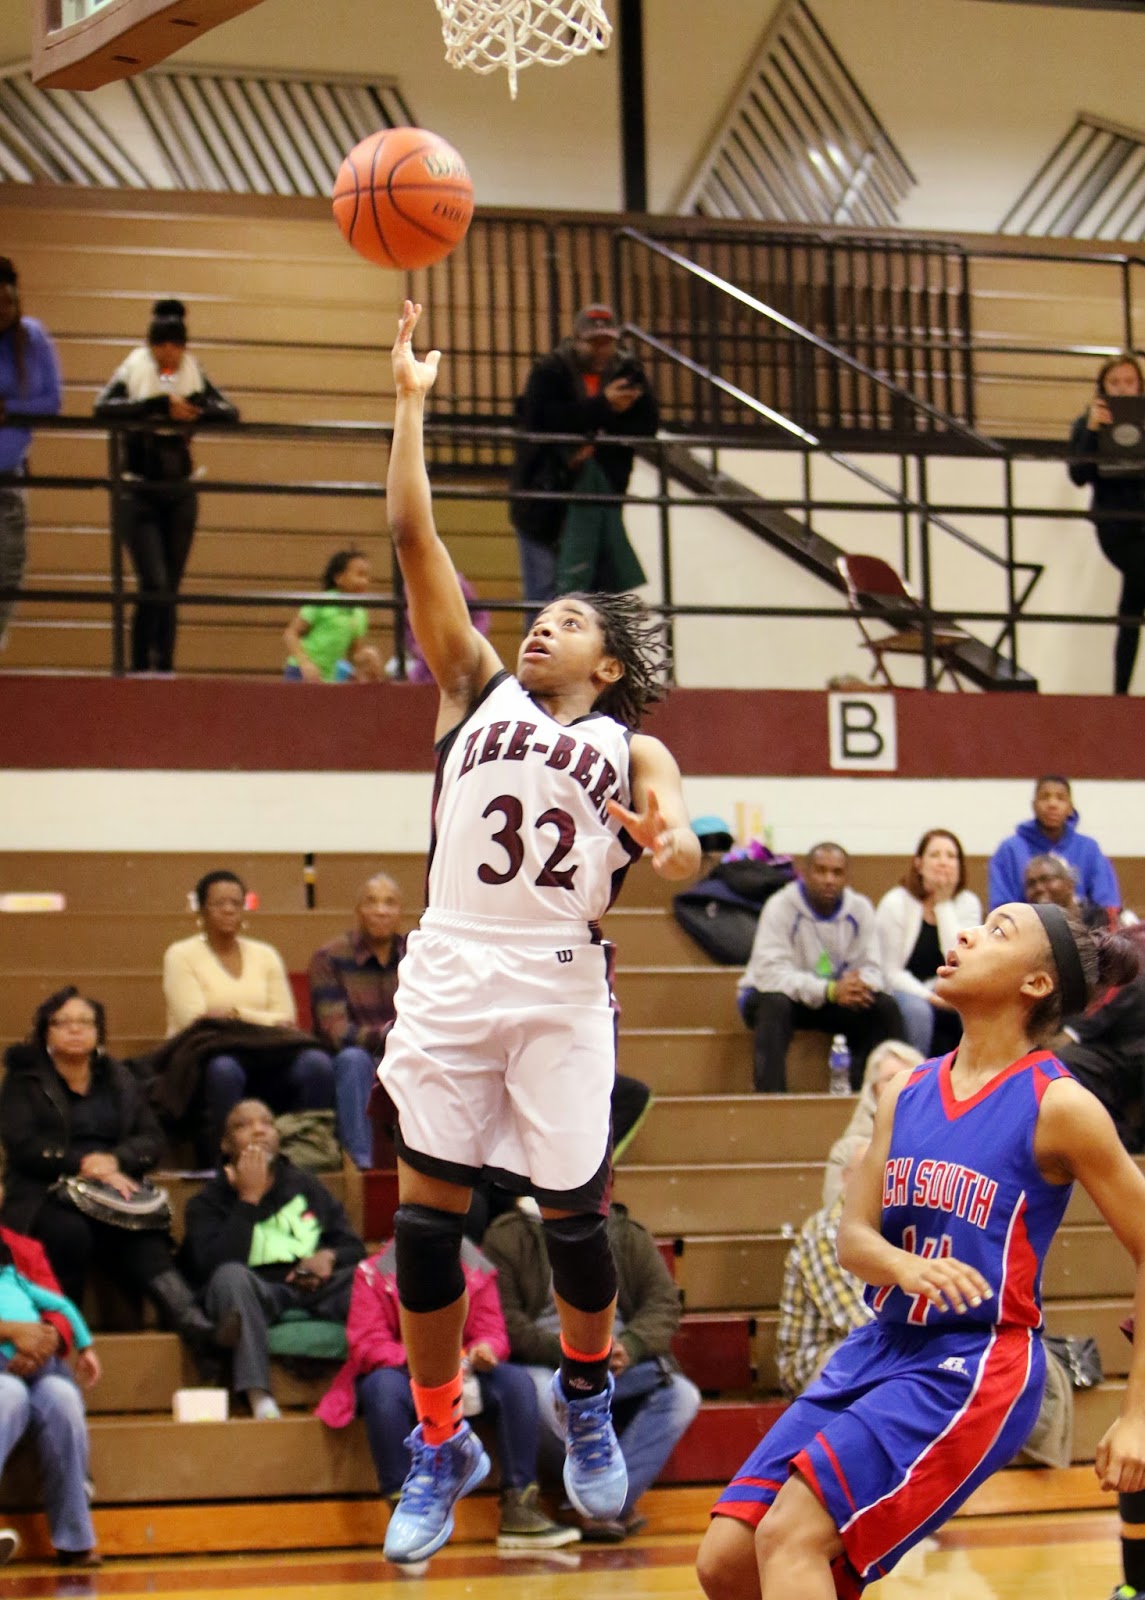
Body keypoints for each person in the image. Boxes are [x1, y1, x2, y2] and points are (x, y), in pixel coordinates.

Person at [375, 300, 699, 1566]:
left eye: (570, 620)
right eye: (541, 613)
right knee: (422, 1229)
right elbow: (413, 537)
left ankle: (585, 1397)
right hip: (451, 962)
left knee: (575, 1223)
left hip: (560, 981)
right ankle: (439, 1439)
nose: (542, 622)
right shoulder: (472, 688)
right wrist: (408, 403)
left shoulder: (630, 743)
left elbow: (678, 834)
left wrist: (670, 847)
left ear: (608, 665)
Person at [697, 901, 1145, 1600]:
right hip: (881, 1344)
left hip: (974, 1362)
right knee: (726, 1562)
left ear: (1035, 984)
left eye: (996, 931)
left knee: (789, 1537)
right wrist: (903, 1266)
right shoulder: (905, 1090)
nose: (965, 933)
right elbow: (852, 1236)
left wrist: (1137, 1416)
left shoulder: (1059, 1105)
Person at [0, 988, 229, 1352]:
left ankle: (195, 1326)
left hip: (110, 1190)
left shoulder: (118, 1078)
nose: (76, 1029)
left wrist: (116, 1161)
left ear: (99, 1031)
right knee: (70, 1232)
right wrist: (84, 1164)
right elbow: (23, 1144)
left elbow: (151, 1139)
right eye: (63, 1023)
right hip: (46, 1190)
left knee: (145, 1239)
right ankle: (63, 1335)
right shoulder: (24, 1079)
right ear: (46, 1032)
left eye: (85, 1022)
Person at [317, 1234, 578, 1551]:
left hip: (466, 1370)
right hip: (403, 1373)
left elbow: (493, 1332)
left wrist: (485, 1349)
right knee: (381, 1389)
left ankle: (520, 1507)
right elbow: (366, 1343)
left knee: (518, 1383)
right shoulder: (372, 1273)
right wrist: (429, 1360)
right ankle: (407, 1511)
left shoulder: (479, 1268)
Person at [483, 1197, 700, 1542]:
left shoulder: (627, 1233)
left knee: (683, 1395)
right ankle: (600, 1502)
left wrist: (630, 1345)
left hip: (619, 1362)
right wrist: (577, 1355)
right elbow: (505, 1319)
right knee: (535, 1391)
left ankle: (597, 1505)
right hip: (550, 1365)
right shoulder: (507, 1236)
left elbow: (663, 1303)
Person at [182, 1099, 365, 1420]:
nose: (259, 1130)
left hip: (315, 1288)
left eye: (267, 1123)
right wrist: (248, 1199)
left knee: (372, 1274)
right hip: (258, 1294)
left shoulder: (306, 1186)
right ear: (225, 1145)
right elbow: (212, 1268)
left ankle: (372, 1378)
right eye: (243, 1125)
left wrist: (328, 1256)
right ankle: (259, 1396)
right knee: (230, 1277)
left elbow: (352, 1246)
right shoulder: (207, 1203)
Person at [93, 298, 238, 674]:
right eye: (161, 345)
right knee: (153, 582)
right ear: (151, 346)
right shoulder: (133, 368)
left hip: (179, 492)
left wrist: (194, 410)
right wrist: (156, 406)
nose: (168, 353)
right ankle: (141, 665)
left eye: (176, 345)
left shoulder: (193, 372)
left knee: (170, 586)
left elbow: (230, 413)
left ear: (184, 347)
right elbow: (102, 408)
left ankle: (165, 668)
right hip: (138, 490)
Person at [162, 869, 334, 1159]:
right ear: (202, 909)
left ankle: (307, 1155)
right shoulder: (180, 955)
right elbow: (196, 1021)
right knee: (224, 1070)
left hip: (266, 1054)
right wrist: (261, 1019)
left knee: (316, 1064)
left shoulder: (265, 954)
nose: (229, 910)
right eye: (219, 903)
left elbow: (285, 1018)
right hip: (204, 1057)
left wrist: (234, 1013)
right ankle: (227, 1161)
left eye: (236, 903)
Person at [509, 304, 658, 609]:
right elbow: (541, 421)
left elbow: (646, 427)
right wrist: (604, 406)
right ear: (576, 339)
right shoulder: (550, 371)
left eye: (607, 342)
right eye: (593, 342)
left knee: (597, 603)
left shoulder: (628, 372)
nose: (601, 350)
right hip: (544, 504)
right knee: (545, 598)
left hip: (599, 500)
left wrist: (602, 428)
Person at [737, 842, 902, 1093]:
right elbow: (769, 974)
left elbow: (873, 968)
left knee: (883, 1006)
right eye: (821, 871)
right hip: (778, 996)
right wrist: (829, 989)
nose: (828, 880)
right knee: (774, 1004)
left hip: (835, 998)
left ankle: (875, 1097)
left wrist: (860, 984)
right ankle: (770, 1100)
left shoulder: (860, 909)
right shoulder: (780, 906)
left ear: (847, 877)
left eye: (837, 872)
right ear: (804, 873)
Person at [0, 1192, 102, 1568]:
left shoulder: (20, 1250)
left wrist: (45, 1341)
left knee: (62, 1396)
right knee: (8, 1393)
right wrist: (10, 1331)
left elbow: (57, 1308)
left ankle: (75, 1538)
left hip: (35, 1363)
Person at [307, 873, 407, 1169]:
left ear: (400, 911)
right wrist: (391, 1035)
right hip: (355, 1057)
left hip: (408, 1052)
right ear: (358, 910)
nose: (381, 910)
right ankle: (360, 1165)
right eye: (371, 902)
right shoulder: (330, 957)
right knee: (353, 1060)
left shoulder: (417, 955)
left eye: (389, 903)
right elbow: (336, 1032)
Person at [1067, 354, 1145, 695]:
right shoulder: (1086, 423)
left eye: (1129, 382)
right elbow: (1078, 475)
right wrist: (1093, 430)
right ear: (1102, 387)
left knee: (1132, 607)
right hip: (1117, 529)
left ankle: (1120, 694)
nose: (1123, 389)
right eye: (1115, 383)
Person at [777, 1138, 873, 1398]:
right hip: (815, 1359)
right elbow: (856, 1321)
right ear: (846, 1178)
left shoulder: (882, 1224)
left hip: (860, 1344)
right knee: (865, 1350)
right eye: (868, 1174)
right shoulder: (827, 1231)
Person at [875, 829, 981, 1058]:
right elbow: (890, 972)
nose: (943, 862)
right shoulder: (895, 903)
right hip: (901, 989)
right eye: (935, 855)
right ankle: (916, 1075)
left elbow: (961, 960)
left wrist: (943, 903)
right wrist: (931, 998)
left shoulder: (968, 903)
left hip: (946, 988)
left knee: (978, 1008)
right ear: (919, 864)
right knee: (918, 1011)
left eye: (951, 856)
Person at [0, 256, 62, 647]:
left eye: (7, 302)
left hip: (10, 470)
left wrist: (9, 409)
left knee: (10, 563)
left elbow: (51, 401)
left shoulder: (32, 338)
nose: (2, 311)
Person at [1058, 924, 1145, 1152]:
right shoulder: (1133, 944)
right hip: (1116, 1049)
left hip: (1134, 1048)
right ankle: (1115, 1138)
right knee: (1065, 1060)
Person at [988, 774, 1120, 914]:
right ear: (1034, 805)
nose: (1052, 804)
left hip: (1080, 925)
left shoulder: (1089, 849)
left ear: (1070, 807)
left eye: (1060, 798)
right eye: (1044, 797)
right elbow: (1001, 908)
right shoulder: (1010, 849)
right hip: (1026, 925)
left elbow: (1107, 905)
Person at [821, 1040, 922, 1208]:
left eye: (911, 1078)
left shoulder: (939, 1141)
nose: (902, 1086)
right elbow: (833, 1213)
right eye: (891, 1079)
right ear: (874, 1089)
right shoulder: (847, 1151)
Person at [283, 548, 383, 683]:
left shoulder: (360, 613)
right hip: (300, 673)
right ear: (339, 578)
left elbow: (354, 653)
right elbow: (291, 634)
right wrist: (305, 664)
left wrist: (368, 658)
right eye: (360, 575)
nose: (365, 581)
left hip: (328, 679)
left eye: (367, 576)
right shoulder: (321, 602)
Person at [1024, 851, 1109, 932]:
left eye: (1046, 879)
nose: (1038, 888)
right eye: (1031, 883)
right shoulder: (1028, 928)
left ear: (1069, 884)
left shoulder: (1096, 919)